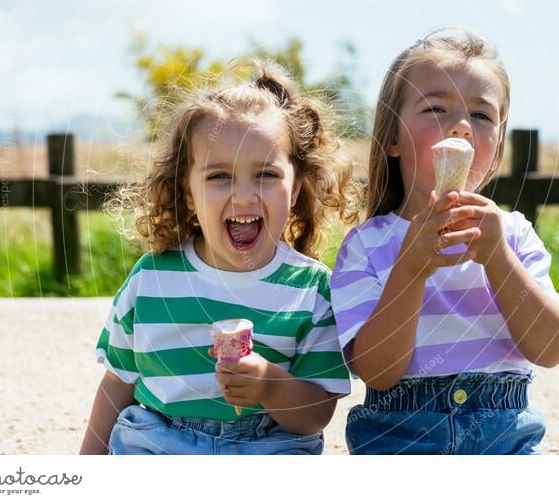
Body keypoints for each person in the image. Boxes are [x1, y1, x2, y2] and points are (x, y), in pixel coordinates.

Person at [80, 61, 359, 455]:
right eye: (218, 177)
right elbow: (117, 384)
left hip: (268, 444)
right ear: (189, 192)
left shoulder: (310, 289)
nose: (244, 196)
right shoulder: (153, 278)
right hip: (161, 440)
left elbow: (317, 413)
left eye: (265, 175)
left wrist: (269, 385)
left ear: (296, 188)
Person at [330, 29, 559, 455]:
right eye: (436, 108)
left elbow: (551, 348)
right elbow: (376, 372)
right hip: (399, 436)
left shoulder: (513, 234)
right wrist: (409, 270)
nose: (461, 125)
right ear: (392, 138)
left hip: (505, 437)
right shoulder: (367, 246)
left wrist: (498, 259)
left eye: (481, 116)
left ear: (495, 149)